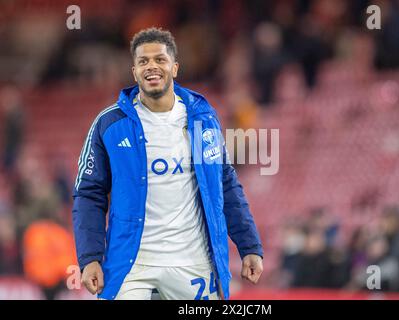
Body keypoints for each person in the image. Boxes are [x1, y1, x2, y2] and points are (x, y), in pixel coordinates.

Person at [72, 27, 264, 300]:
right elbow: (88, 194)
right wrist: (90, 257)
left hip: (193, 262)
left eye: (160, 59)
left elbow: (226, 184)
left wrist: (250, 246)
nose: (152, 66)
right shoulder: (109, 124)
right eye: (143, 61)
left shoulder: (203, 118)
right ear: (134, 72)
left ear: (174, 67)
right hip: (132, 265)